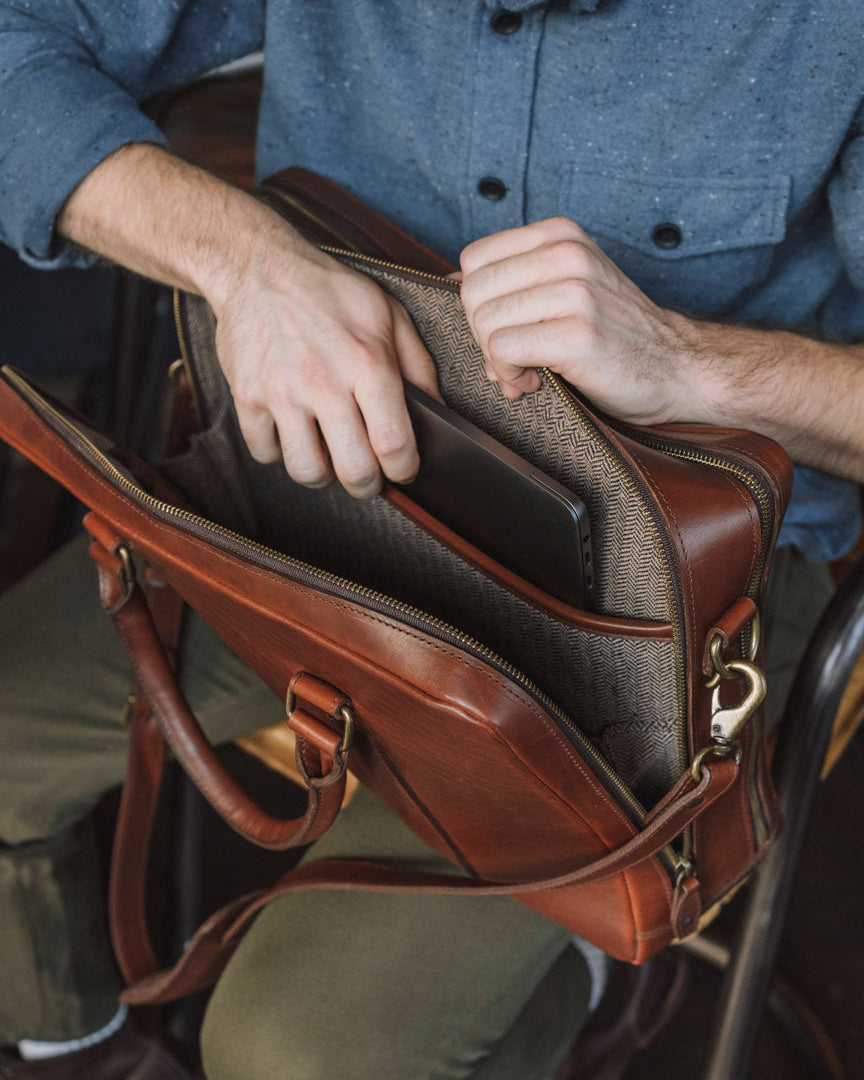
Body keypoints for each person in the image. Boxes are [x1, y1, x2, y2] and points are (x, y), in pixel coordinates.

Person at [0, 2, 861, 1077]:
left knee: (295, 1051)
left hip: (661, 618)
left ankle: (580, 979)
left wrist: (693, 363)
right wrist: (245, 260)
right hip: (313, 497)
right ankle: (73, 1045)